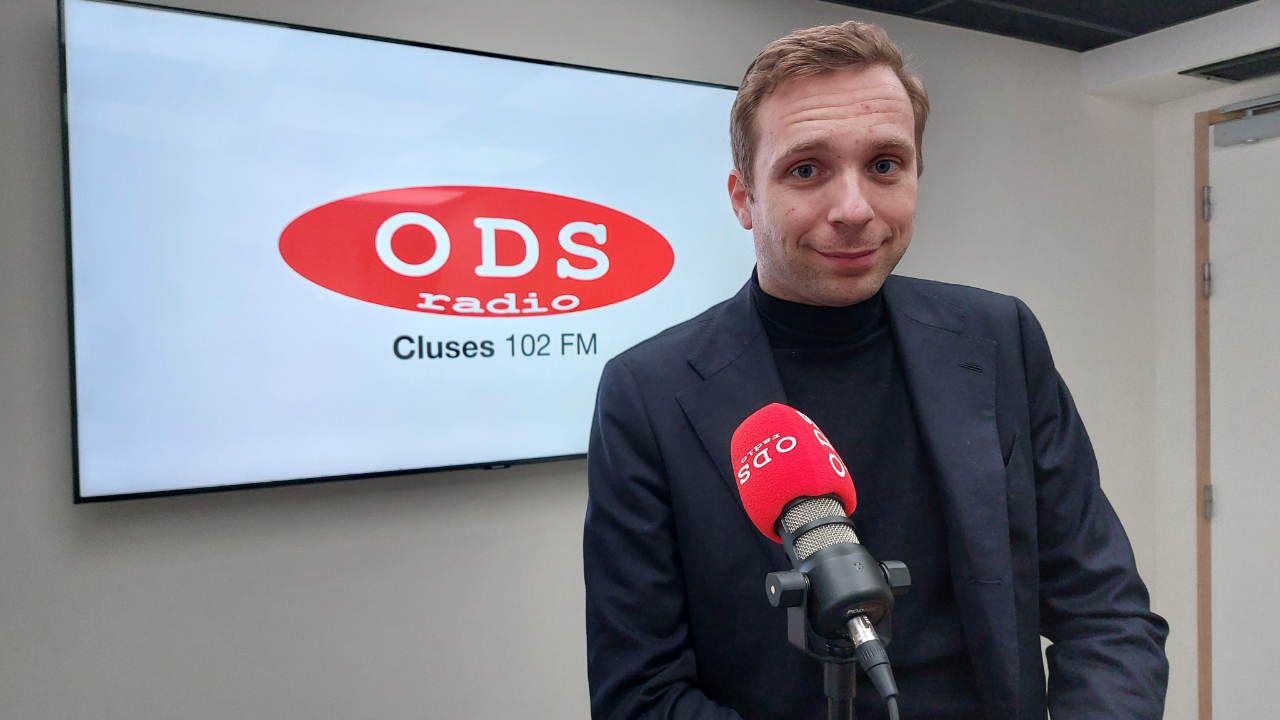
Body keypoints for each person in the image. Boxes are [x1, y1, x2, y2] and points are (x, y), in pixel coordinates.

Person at [582, 21, 1168, 720]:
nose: (854, 209)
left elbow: (1106, 612)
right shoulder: (648, 392)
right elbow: (640, 696)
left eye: (885, 165)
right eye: (807, 170)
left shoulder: (999, 339)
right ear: (743, 197)